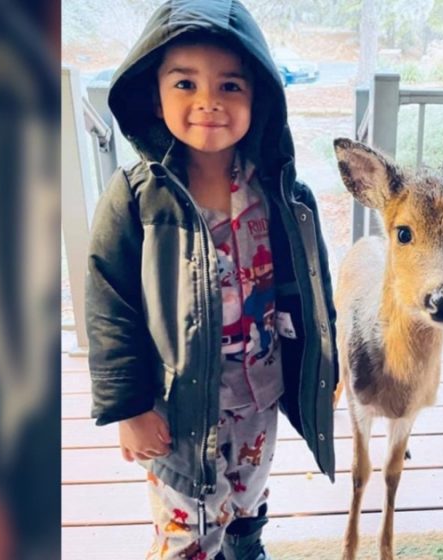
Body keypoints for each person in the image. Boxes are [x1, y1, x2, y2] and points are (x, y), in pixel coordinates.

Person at [85, 1, 337, 559]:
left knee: (246, 498)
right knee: (188, 519)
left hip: (259, 391)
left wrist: (327, 363)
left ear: (259, 97)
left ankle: (245, 548)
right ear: (155, 94)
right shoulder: (135, 199)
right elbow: (110, 306)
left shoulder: (283, 196)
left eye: (229, 85)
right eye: (185, 83)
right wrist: (128, 408)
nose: (207, 103)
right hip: (175, 403)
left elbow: (316, 291)